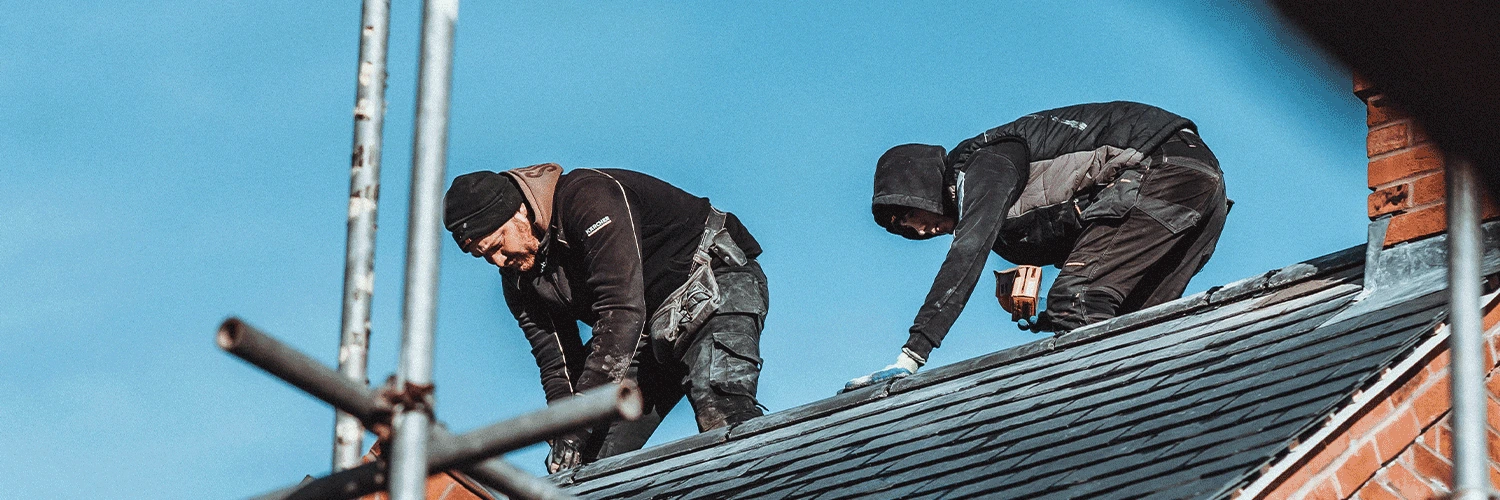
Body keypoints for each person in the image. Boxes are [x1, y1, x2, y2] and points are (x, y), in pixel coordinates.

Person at [847, 101, 1229, 391]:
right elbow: (1097, 255)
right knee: (1135, 330)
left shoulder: (983, 165)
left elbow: (967, 253)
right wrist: (1044, 309)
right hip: (1196, 188)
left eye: (907, 214)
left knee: (1078, 300)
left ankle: (1095, 422)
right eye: (903, 231)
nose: (917, 230)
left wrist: (912, 355)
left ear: (920, 186)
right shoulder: (1006, 228)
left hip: (1161, 167)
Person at [444, 163, 768, 472]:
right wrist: (566, 429)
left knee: (723, 417)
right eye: (484, 256)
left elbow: (621, 310)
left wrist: (579, 421)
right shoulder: (519, 280)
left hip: (708, 285)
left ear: (519, 213)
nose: (499, 261)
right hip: (641, 332)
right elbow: (558, 364)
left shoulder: (589, 197)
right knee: (586, 461)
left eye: (498, 245)